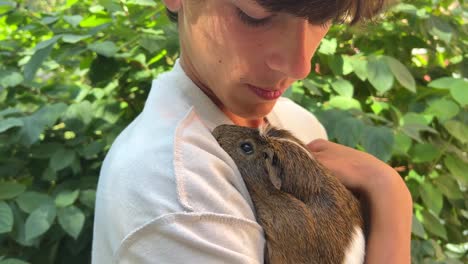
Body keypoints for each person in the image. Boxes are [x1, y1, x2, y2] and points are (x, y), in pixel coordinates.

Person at [92, 0, 413, 263]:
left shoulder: (294, 122)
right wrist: (391, 199)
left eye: (324, 18)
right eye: (255, 16)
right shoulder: (177, 195)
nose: (299, 65)